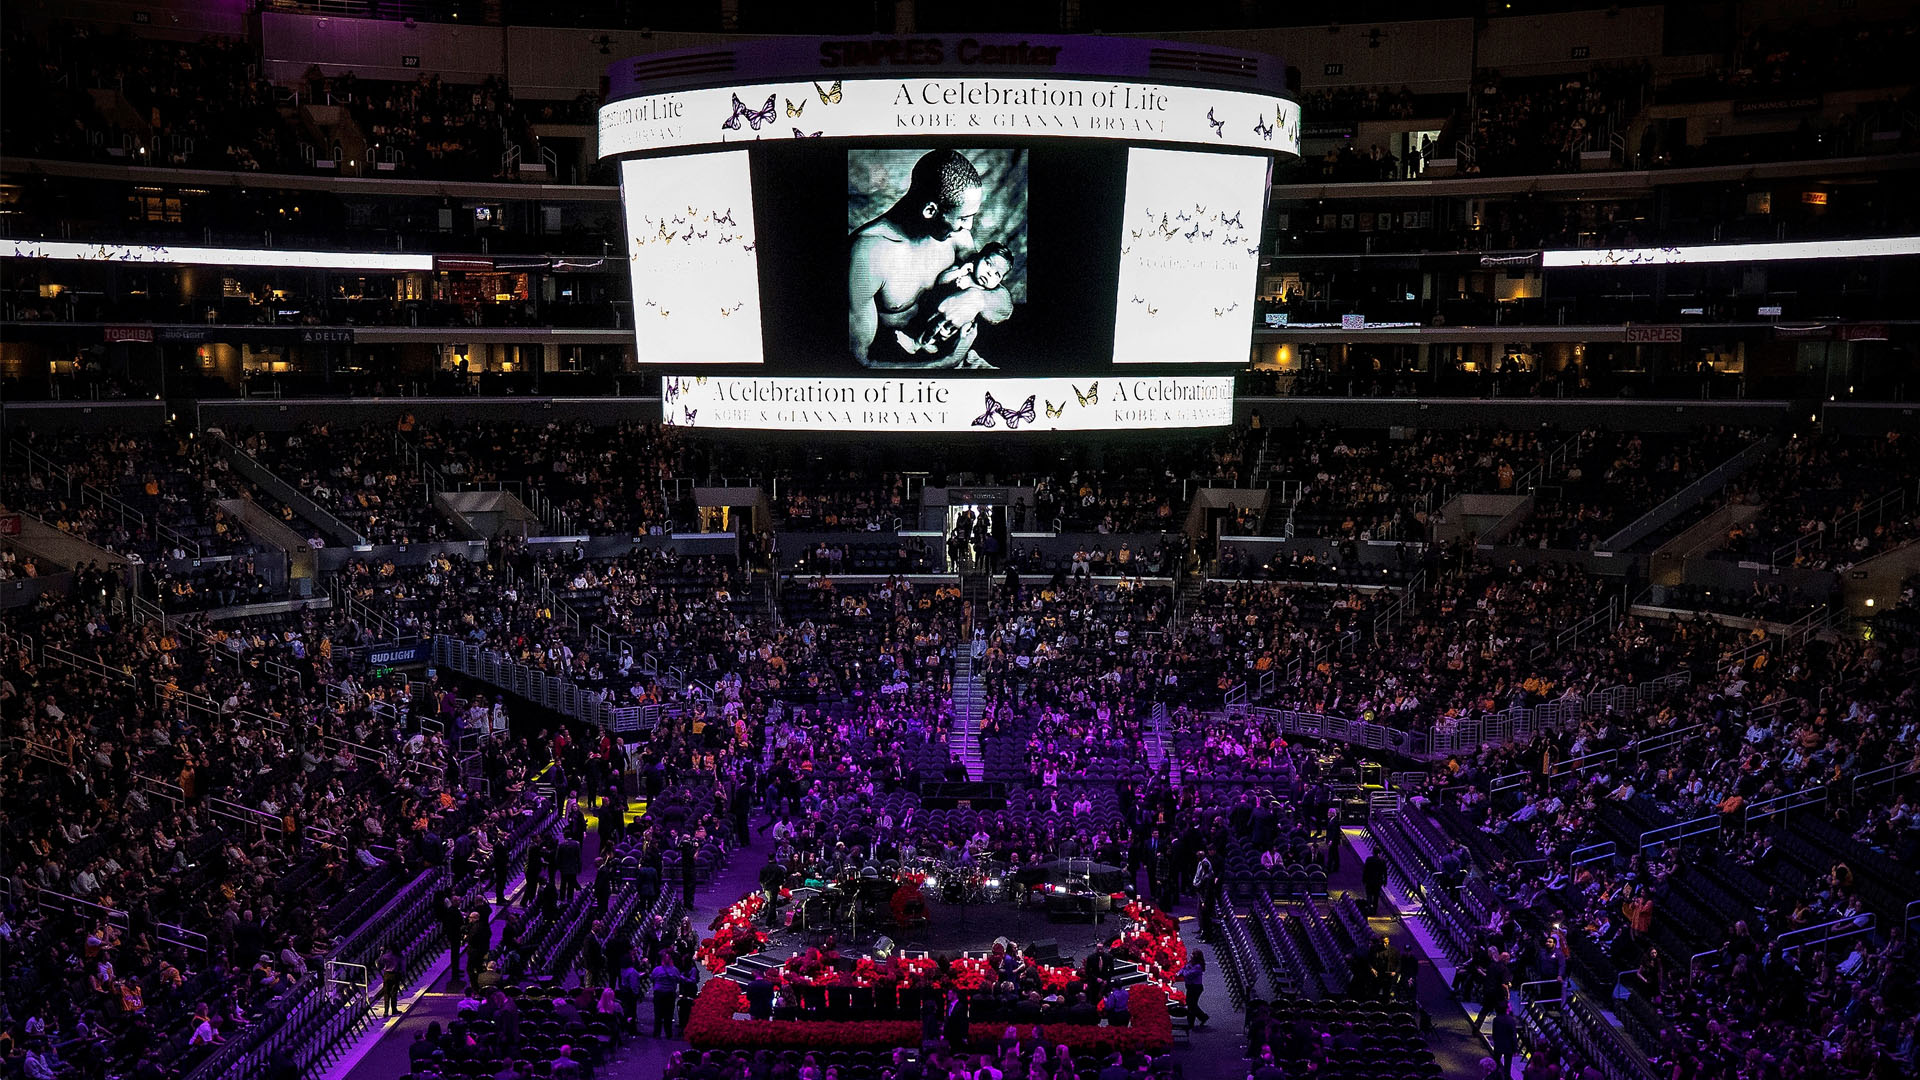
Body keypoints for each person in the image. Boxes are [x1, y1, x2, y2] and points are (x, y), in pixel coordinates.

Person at [848, 149, 1013, 370]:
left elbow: (1003, 305)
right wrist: (946, 362)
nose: (970, 226)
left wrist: (977, 299)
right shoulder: (867, 255)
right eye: (964, 217)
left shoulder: (956, 237)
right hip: (903, 370)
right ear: (930, 210)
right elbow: (860, 363)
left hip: (960, 358)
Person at [892, 242, 1014, 363]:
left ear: (1000, 281)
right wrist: (959, 273)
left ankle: (933, 347)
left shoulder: (988, 293)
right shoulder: (962, 271)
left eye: (997, 274)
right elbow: (941, 280)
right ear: (978, 257)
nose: (990, 273)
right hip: (935, 312)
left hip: (955, 330)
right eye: (988, 263)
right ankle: (916, 343)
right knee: (929, 321)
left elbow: (996, 312)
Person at [1177, 950, 1209, 1031]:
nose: (1190, 956)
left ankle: (1190, 1023)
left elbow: (1187, 974)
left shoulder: (1198, 967)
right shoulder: (1191, 963)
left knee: (1191, 1005)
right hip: (1190, 987)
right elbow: (1183, 968)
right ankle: (1203, 1017)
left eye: (1192, 955)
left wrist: (1182, 972)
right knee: (1191, 1004)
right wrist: (1179, 972)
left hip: (1195, 988)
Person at [1490, 1002, 1519, 1078]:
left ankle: (1494, 1077)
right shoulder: (1511, 1020)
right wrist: (1515, 1049)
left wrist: (1495, 1041)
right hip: (1508, 1046)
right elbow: (1513, 1036)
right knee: (1507, 1067)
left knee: (1495, 1064)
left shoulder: (1496, 1019)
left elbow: (1494, 1033)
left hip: (1498, 1044)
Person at [379, 946, 403, 1018]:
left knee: (386, 993)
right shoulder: (398, 956)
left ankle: (386, 1011)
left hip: (387, 975)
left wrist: (381, 953)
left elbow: (379, 962)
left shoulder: (386, 956)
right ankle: (394, 1009)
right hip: (395, 975)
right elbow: (402, 966)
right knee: (394, 993)